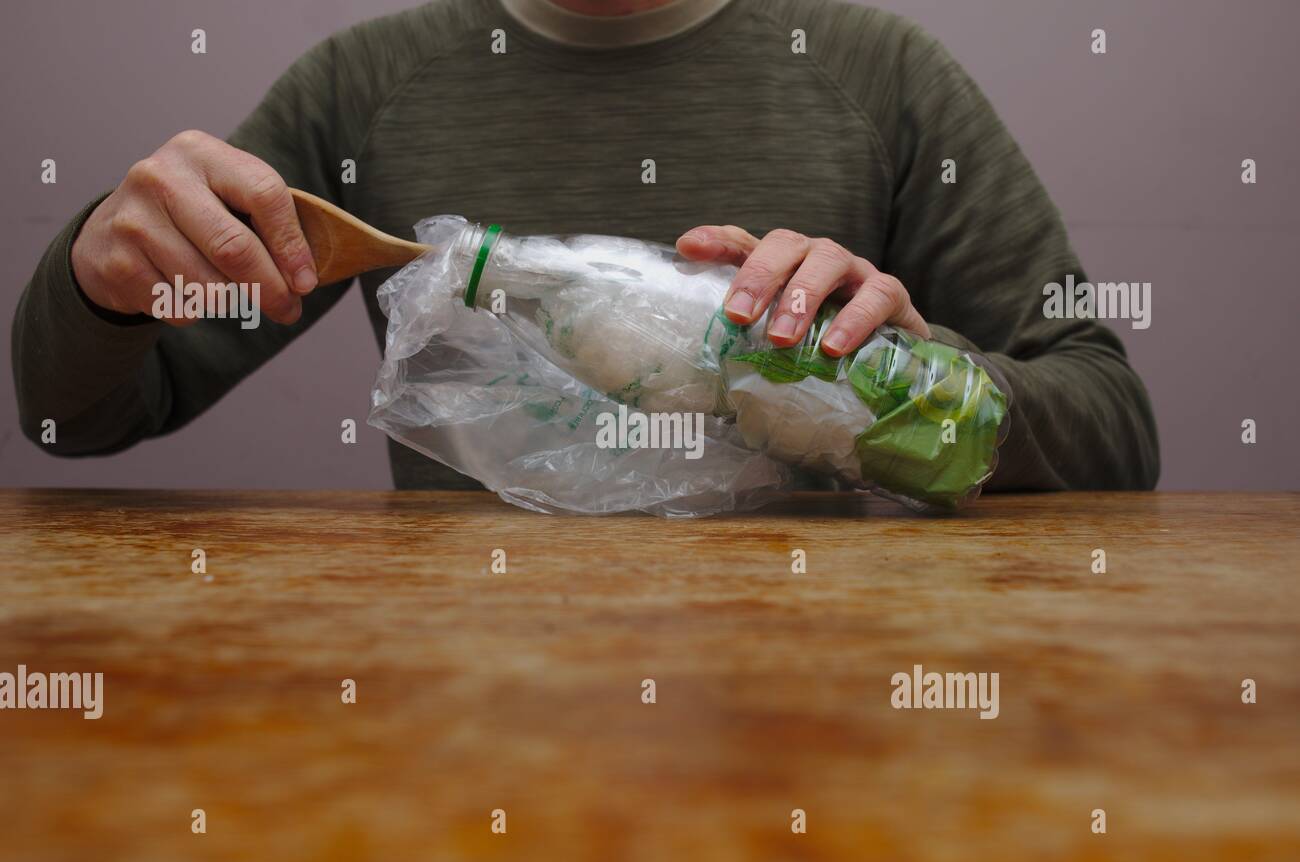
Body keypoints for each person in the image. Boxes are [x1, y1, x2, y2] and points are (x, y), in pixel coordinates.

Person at [12, 0, 1160, 492]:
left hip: (807, 714)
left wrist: (924, 384)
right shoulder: (363, 90)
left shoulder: (878, 73)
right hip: (459, 703)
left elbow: (1113, 421)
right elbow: (79, 416)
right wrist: (98, 284)